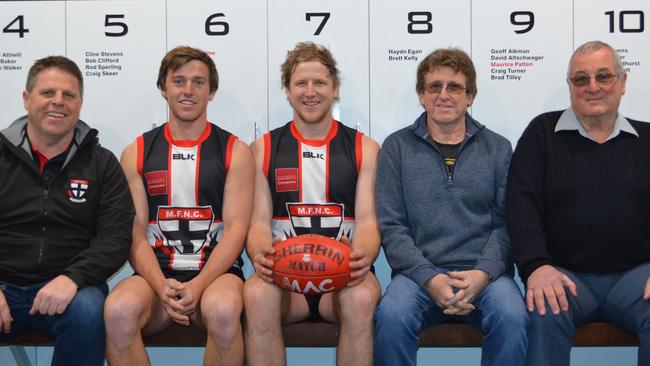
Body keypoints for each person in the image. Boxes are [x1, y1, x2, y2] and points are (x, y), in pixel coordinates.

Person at [374, 48, 528, 366]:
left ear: (470, 96)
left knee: (513, 317)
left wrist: (483, 274)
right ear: (422, 95)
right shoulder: (396, 148)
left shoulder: (499, 149)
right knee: (391, 317)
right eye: (434, 86)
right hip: (418, 277)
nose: (444, 95)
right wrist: (430, 278)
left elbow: (506, 223)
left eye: (455, 87)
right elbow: (392, 226)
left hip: (485, 276)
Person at [103, 46, 253, 366]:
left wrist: (197, 286)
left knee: (225, 311)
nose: (188, 90)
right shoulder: (137, 151)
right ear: (163, 88)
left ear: (211, 91)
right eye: (179, 81)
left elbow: (237, 231)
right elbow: (135, 233)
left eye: (198, 82)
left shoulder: (235, 151)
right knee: (117, 311)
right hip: (156, 278)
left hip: (216, 276)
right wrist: (160, 285)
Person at [507, 40, 650, 366]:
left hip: (637, 277)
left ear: (623, 82)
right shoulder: (542, 133)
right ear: (570, 86)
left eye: (604, 76)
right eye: (581, 79)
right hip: (564, 276)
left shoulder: (648, 140)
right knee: (543, 312)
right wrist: (536, 267)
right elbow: (521, 204)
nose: (593, 87)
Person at [244, 41, 381, 366]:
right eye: (300, 83)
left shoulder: (365, 149)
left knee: (361, 299)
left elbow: (369, 221)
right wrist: (261, 252)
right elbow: (258, 223)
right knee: (255, 295)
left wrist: (361, 254)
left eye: (320, 82)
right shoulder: (262, 149)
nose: (310, 92)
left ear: (335, 89)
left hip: (343, 275)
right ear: (287, 90)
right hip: (285, 277)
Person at [0, 56, 133, 366]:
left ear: (80, 103)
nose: (57, 102)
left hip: (71, 288)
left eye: (68, 95)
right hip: (3, 286)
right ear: (26, 98)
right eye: (47, 93)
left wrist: (72, 278)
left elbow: (115, 237)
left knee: (89, 310)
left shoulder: (102, 163)